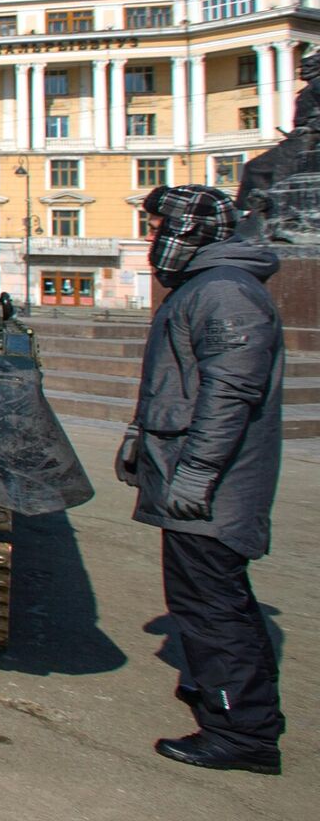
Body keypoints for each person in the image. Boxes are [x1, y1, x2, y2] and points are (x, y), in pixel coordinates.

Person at [117, 185, 283, 774]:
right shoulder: (211, 289)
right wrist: (145, 438)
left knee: (215, 608)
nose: (154, 239)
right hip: (197, 478)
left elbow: (231, 393)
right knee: (204, 602)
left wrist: (197, 473)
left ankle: (243, 734)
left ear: (191, 231)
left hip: (212, 489)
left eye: (162, 227)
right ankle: (229, 705)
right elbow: (186, 387)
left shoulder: (224, 294)